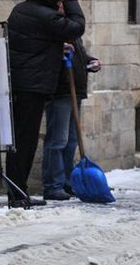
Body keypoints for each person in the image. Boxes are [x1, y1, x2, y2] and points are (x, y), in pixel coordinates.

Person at [5, 0, 85, 206]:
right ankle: (18, 194)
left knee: (21, 139)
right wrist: (69, 0)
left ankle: (18, 191)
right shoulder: (44, 14)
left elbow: (40, 40)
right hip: (32, 84)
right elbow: (77, 27)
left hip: (24, 81)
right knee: (25, 139)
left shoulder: (22, 10)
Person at [42, 37, 100, 200]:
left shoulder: (73, 33)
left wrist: (90, 62)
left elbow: (79, 58)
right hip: (60, 92)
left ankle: (67, 182)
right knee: (58, 141)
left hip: (75, 93)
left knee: (71, 141)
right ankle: (53, 186)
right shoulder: (53, 30)